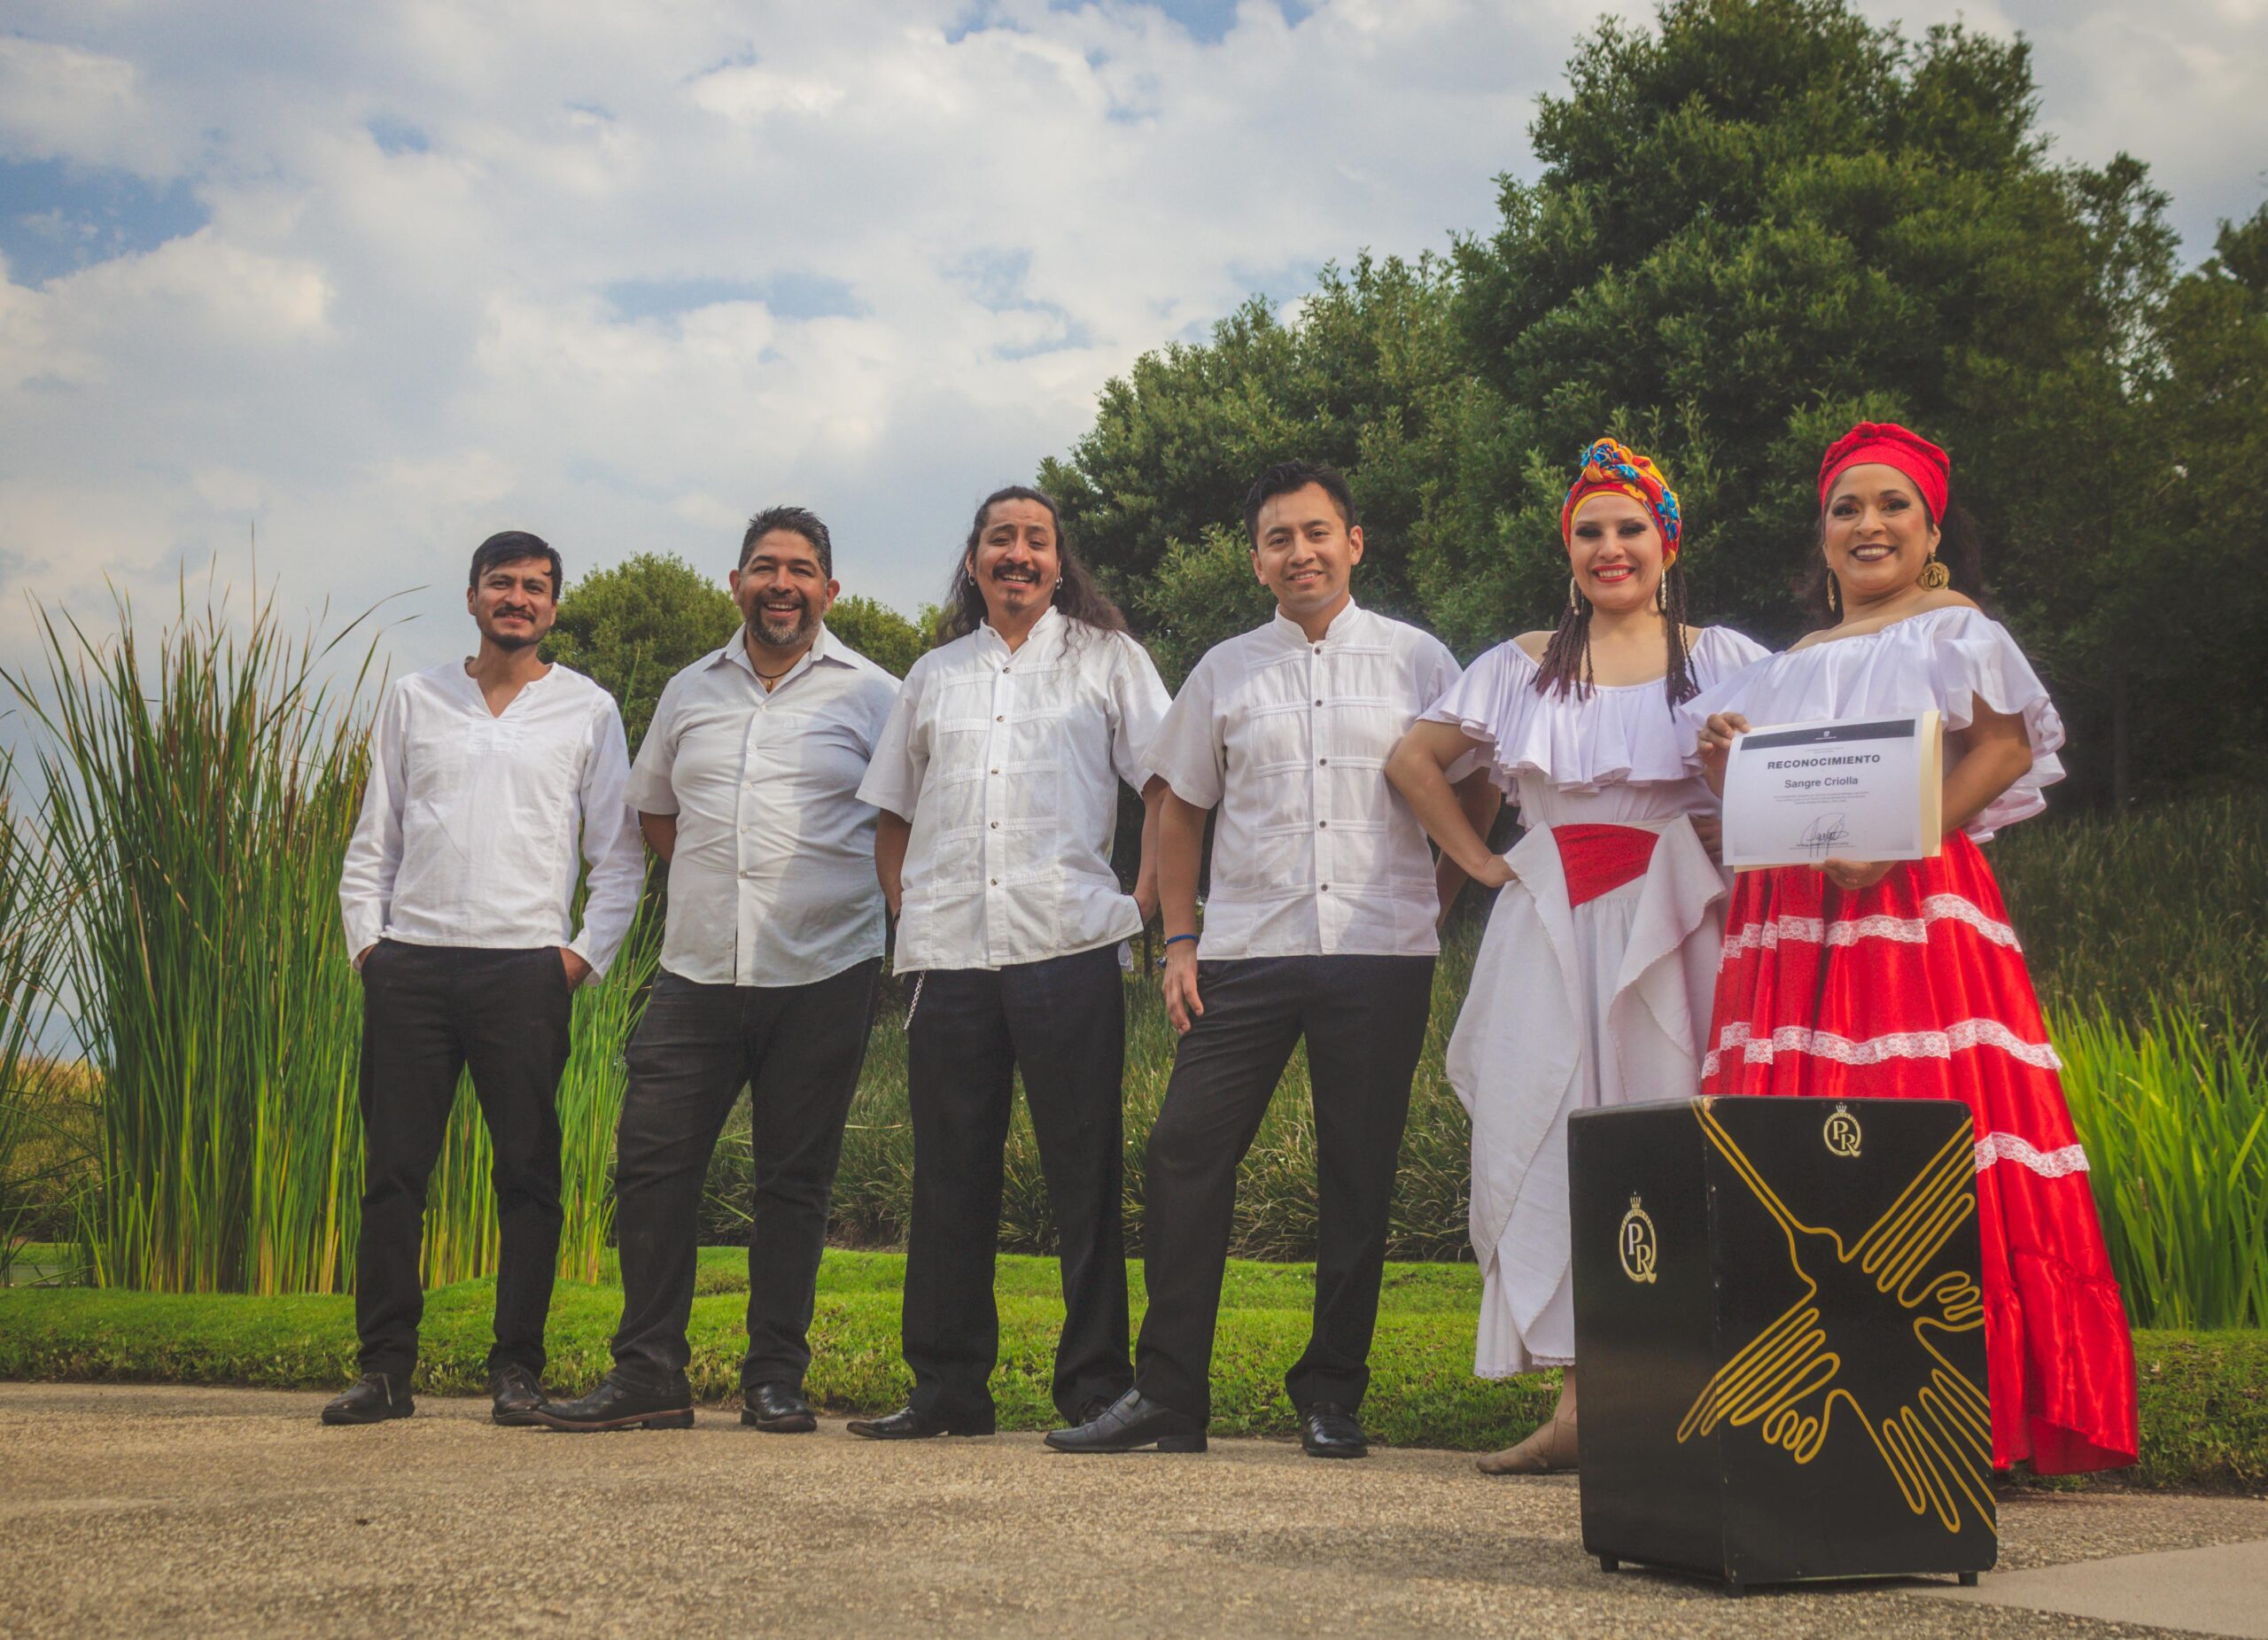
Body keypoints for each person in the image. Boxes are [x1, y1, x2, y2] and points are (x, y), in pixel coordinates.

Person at [1689, 421, 2139, 1475]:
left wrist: (1898, 838)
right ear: (1822, 537)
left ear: (1933, 532)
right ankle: (1810, 1413)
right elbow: (1757, 801)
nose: (1868, 524)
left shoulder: (1953, 628)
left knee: (1914, 1120)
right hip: (1791, 920)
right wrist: (1726, 763)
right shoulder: (1788, 665)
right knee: (1793, 1143)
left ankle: (1965, 1413)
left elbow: (2004, 746)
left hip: (1911, 908)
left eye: (1893, 504)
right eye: (1845, 507)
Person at [1045, 459, 1493, 1461]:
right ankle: (1170, 1394)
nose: (1301, 553)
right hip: (1245, 951)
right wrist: (1180, 940)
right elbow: (1178, 810)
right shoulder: (1224, 670)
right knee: (1183, 1152)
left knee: (1357, 1171)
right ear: (1256, 561)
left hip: (1379, 951)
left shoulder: (1421, 662)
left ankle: (1331, 1393)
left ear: (1354, 542)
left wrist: (1439, 892)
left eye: (1317, 532)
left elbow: (1474, 782)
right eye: (1279, 539)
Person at [1378, 439, 1767, 1474]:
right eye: (1588, 531)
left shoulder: (1725, 658)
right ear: (1568, 550)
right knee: (1550, 1135)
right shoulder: (1519, 664)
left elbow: (1789, 772)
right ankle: (1577, 1410)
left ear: (1666, 543)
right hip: (1549, 920)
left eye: (1629, 528)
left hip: (1677, 920)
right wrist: (1481, 863)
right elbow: (1413, 761)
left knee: (1674, 1133)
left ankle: (1689, 1406)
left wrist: (1736, 819)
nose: (1609, 548)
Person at [536, 508, 900, 1434]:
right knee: (652, 1165)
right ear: (735, 583)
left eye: (801, 569)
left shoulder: (878, 696)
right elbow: (654, 811)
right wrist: (719, 880)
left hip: (825, 968)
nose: (783, 584)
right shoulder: (688, 689)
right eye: (765, 567)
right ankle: (648, 1372)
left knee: (794, 1181)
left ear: (830, 590)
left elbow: (906, 823)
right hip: (695, 971)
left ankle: (774, 1376)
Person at [849, 485, 1170, 1440]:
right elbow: (893, 813)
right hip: (948, 956)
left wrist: (1143, 902)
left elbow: (1167, 784)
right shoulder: (933, 674)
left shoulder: (1108, 659)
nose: (1018, 554)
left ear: (1059, 562)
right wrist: (908, 908)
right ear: (974, 560)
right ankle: (947, 1389)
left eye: (1036, 540)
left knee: (1084, 1175)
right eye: (1001, 539)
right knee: (948, 1177)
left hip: (1067, 944)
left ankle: (1095, 1388)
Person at [327, 530, 643, 1426]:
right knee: (394, 1175)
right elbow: (374, 839)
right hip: (413, 967)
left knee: (529, 1177)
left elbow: (619, 857)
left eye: (536, 586)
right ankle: (385, 1371)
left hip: (525, 971)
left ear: (553, 607)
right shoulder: (414, 697)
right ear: (472, 597)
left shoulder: (589, 710)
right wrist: (371, 949)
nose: (518, 598)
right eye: (502, 583)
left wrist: (576, 959)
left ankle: (517, 1371)